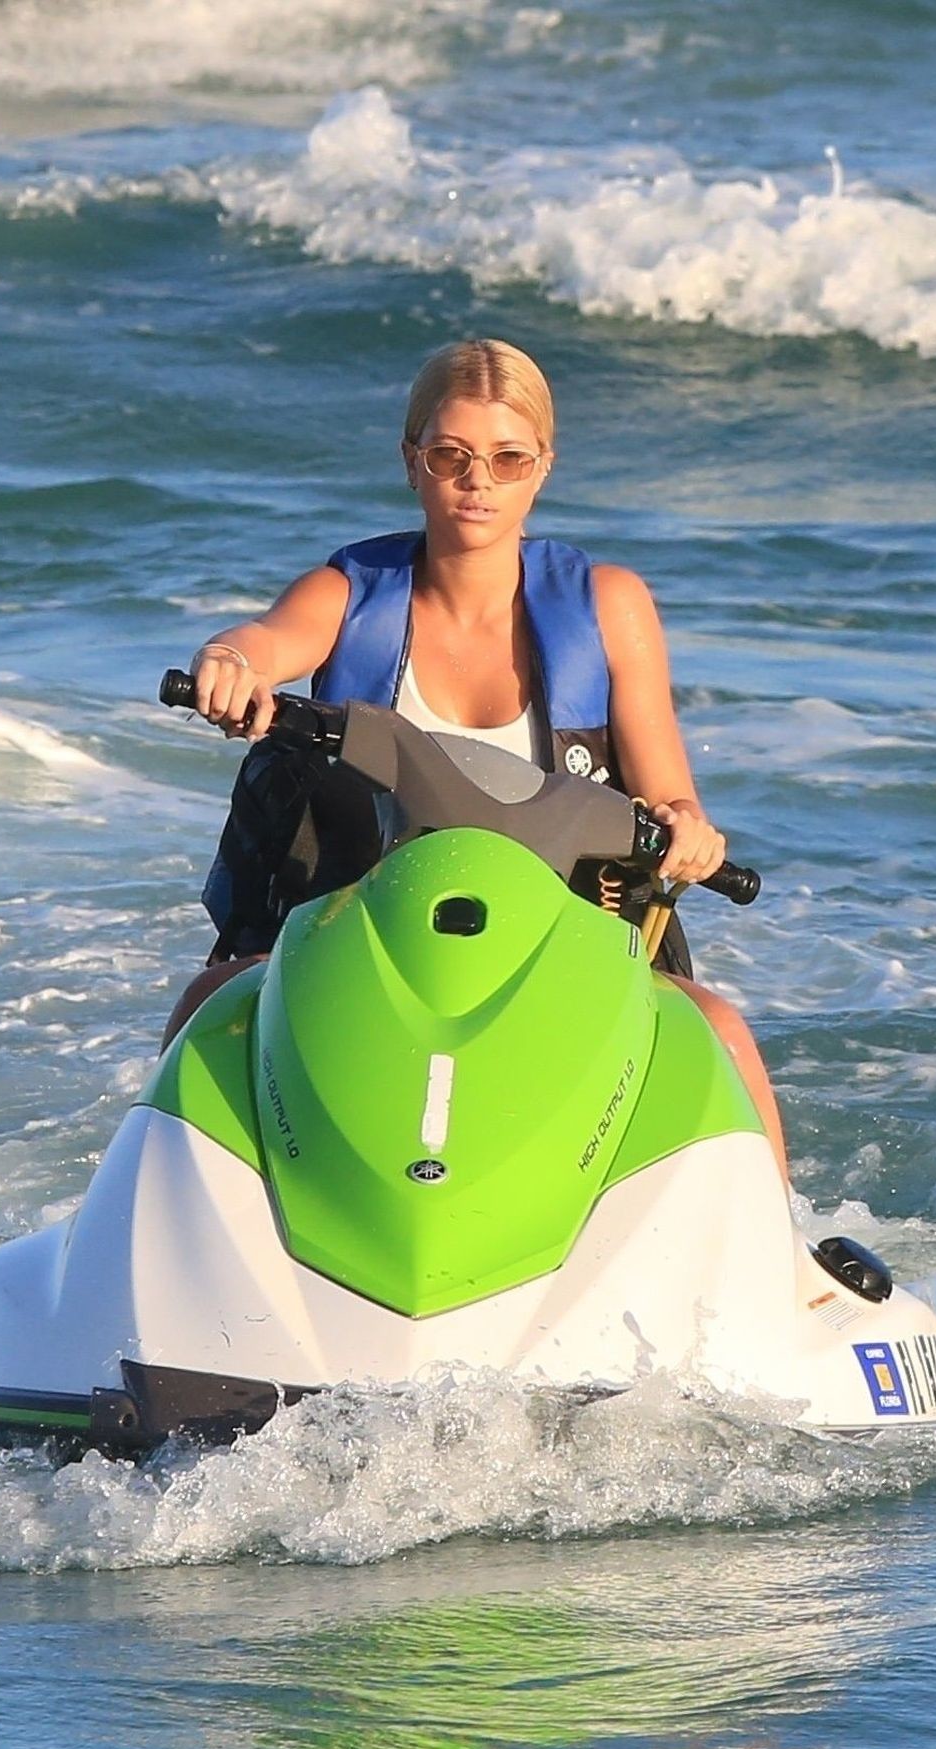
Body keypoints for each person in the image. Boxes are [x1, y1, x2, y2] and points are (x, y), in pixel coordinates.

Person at [168, 338, 788, 1178]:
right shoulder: (348, 597)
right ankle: (149, 1214)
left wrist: (689, 830)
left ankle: (781, 1240)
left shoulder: (608, 605)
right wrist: (229, 661)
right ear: (412, 462)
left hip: (561, 944)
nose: (478, 481)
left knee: (721, 1030)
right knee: (209, 1003)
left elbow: (671, 797)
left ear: (543, 468)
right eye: (451, 456)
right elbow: (266, 641)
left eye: (507, 459)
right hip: (366, 942)